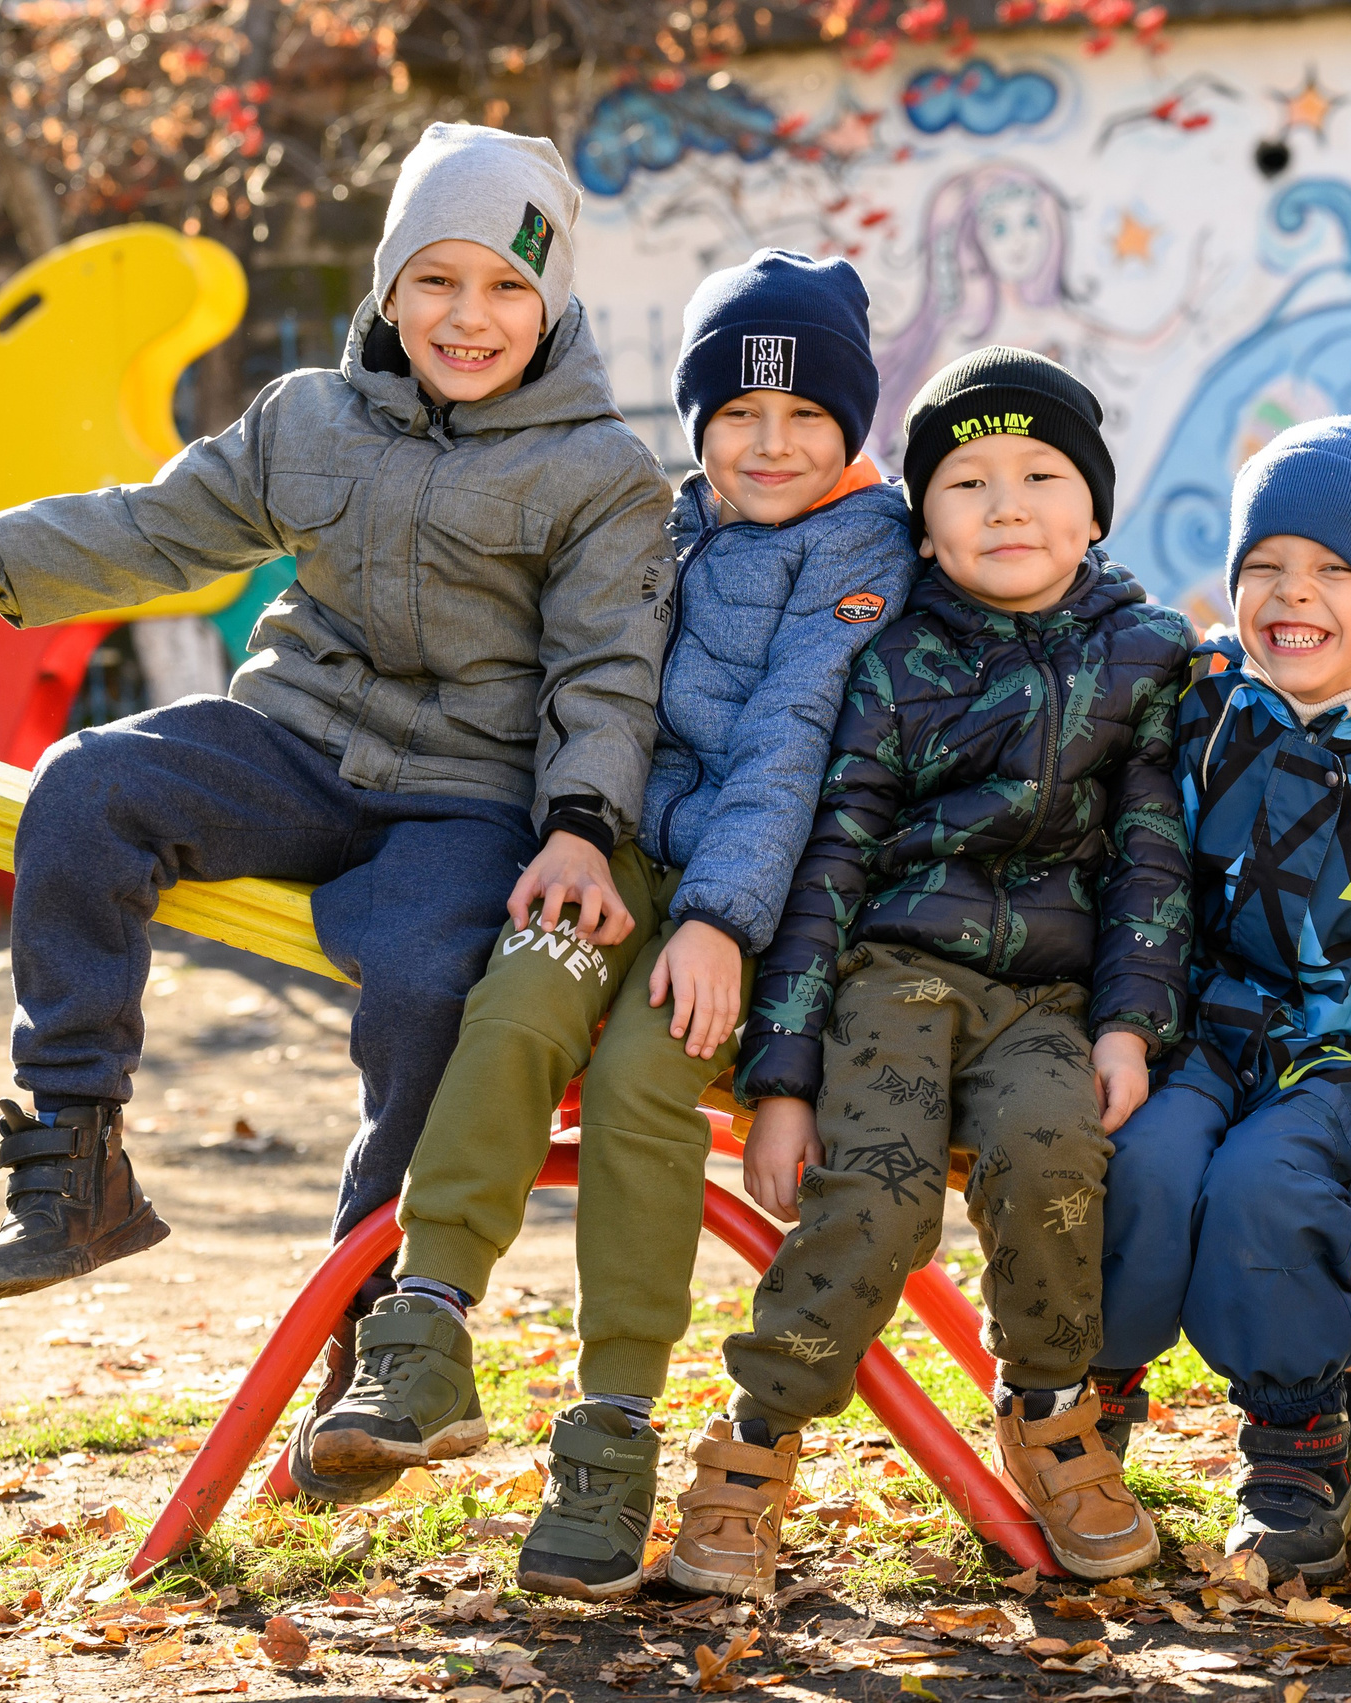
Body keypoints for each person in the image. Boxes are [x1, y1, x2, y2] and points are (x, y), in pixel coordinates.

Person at [0, 123, 673, 1473]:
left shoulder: (601, 474)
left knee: (427, 978)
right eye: (437, 280)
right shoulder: (309, 419)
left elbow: (607, 671)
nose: (470, 317)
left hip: (467, 799)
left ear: (555, 299)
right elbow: (149, 526)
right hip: (290, 745)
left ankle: (373, 1333)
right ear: (388, 288)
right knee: (87, 784)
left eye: (508, 288)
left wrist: (580, 821)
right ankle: (79, 1156)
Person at [289, 250, 921, 1600]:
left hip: (763, 895)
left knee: (643, 1082)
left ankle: (615, 1424)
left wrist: (720, 922)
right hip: (615, 852)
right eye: (737, 415)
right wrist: (580, 834)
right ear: (697, 423)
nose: (769, 444)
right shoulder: (657, 518)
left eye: (806, 416)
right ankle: (428, 1319)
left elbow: (791, 739)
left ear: (851, 423)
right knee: (518, 997)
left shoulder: (869, 548)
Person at [663, 348, 1195, 1595]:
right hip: (894, 975)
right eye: (965, 481)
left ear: (1096, 509)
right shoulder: (893, 660)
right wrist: (782, 1080)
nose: (1005, 503)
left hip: (1053, 999)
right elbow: (829, 866)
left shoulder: (1150, 659)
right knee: (880, 1198)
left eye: (1039, 472)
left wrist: (1128, 1025)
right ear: (925, 522)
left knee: (1054, 1154)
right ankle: (752, 1444)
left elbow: (1152, 864)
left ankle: (1053, 1409)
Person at [1091, 415, 1351, 1583]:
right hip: (1189, 1026)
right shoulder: (1202, 708)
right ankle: (1090, 1399)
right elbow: (1145, 870)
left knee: (1266, 1185)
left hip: (1328, 1051)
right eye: (1264, 567)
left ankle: (1295, 1434)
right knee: (1145, 1158)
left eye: (1335, 569)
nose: (1295, 594)